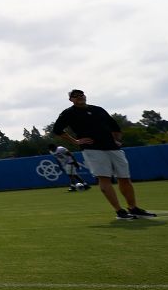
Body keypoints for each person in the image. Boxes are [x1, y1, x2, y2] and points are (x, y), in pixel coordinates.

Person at [52, 90, 156, 221]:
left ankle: (133, 208)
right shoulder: (68, 113)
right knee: (104, 178)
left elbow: (114, 125)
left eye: (81, 95)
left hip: (112, 147)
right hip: (93, 149)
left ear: (85, 96)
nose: (79, 97)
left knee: (125, 178)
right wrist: (76, 141)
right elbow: (57, 130)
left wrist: (117, 140)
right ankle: (119, 211)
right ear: (71, 100)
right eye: (75, 96)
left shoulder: (97, 109)